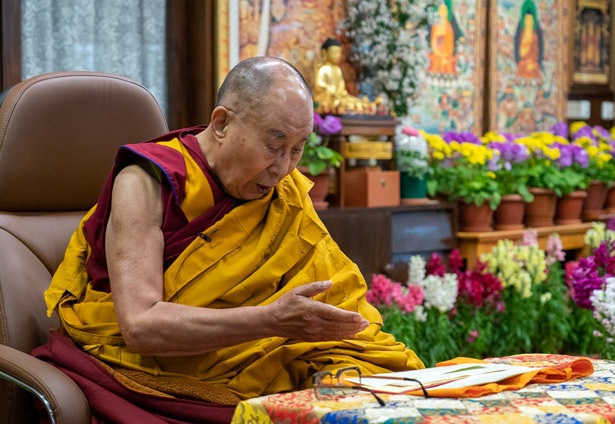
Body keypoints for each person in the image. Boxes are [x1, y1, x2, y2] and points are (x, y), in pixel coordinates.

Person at [35, 57, 424, 422]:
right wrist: (271, 320)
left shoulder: (281, 196)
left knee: (376, 393)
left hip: (260, 361)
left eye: (298, 149)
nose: (284, 168)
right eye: (274, 146)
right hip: (149, 375)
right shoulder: (147, 183)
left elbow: (329, 299)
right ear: (221, 124)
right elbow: (140, 326)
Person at [514, 0, 543, 80]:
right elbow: (517, 43)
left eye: (530, 17)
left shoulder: (536, 25)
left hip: (533, 61)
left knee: (533, 71)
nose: (528, 19)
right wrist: (518, 60)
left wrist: (538, 61)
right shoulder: (521, 24)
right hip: (523, 60)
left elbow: (540, 44)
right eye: (526, 17)